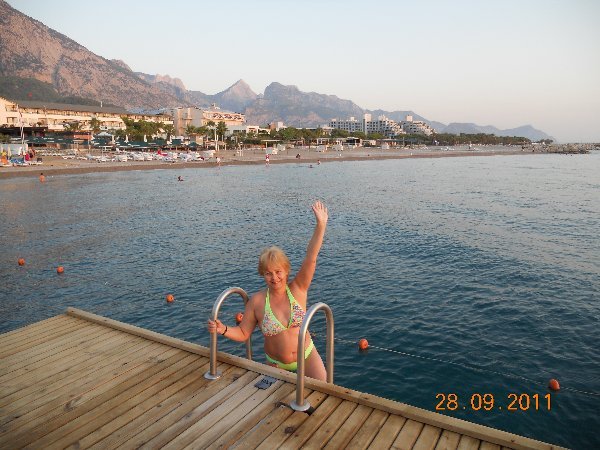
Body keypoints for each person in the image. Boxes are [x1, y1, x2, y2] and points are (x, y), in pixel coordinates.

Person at [208, 200, 329, 381]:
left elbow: (311, 257)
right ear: (262, 274)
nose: (274, 278)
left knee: (323, 390)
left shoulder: (298, 289)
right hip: (276, 363)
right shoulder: (257, 302)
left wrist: (321, 225)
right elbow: (243, 333)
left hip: (307, 355)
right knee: (276, 399)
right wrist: (222, 329)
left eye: (278, 272)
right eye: (268, 273)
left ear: (286, 271)